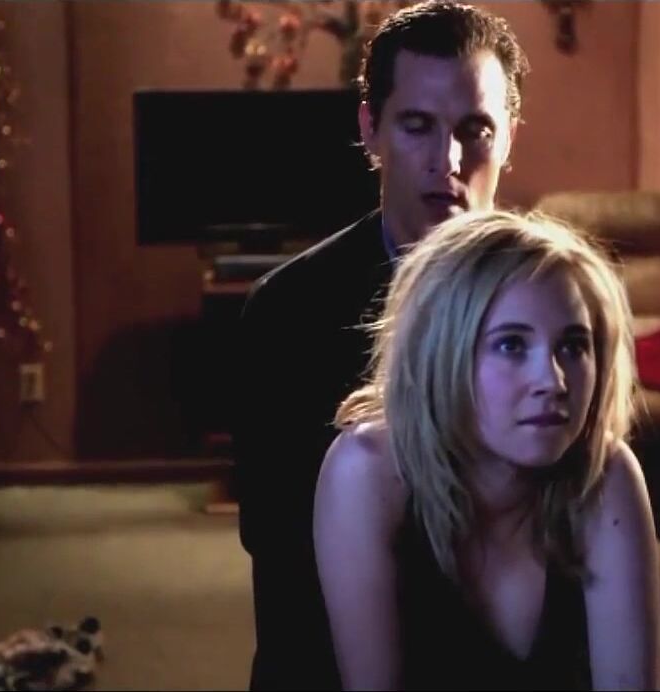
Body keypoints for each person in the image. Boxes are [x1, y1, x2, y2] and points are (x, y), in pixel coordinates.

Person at [233, 3, 529, 689]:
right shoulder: (285, 314)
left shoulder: (550, 307)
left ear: (509, 136)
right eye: (417, 126)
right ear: (371, 129)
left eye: (475, 130)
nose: (447, 161)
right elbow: (281, 562)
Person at [315, 210, 660, 690]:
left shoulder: (606, 474)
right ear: (444, 353)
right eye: (511, 345)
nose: (553, 381)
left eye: (572, 346)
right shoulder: (366, 472)